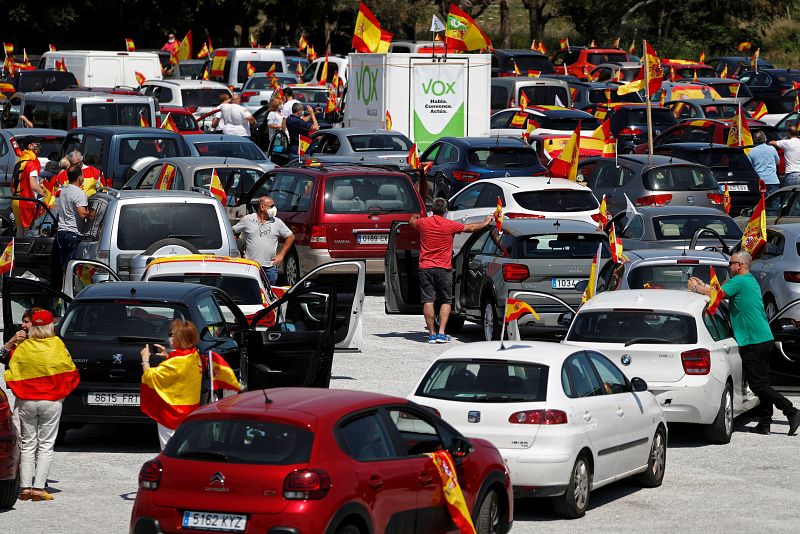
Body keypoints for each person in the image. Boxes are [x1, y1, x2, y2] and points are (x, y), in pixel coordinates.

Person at [689, 251, 800, 436]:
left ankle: (791, 410)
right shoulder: (749, 280)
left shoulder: (739, 282)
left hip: (753, 340)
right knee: (763, 382)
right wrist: (705, 286)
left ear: (739, 265)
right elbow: (721, 289)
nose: (728, 266)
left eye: (731, 263)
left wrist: (696, 288)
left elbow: (718, 294)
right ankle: (765, 423)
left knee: (758, 385)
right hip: (763, 338)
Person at [4, 309, 80, 501]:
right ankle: (38, 489)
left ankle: (24, 488)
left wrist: (20, 391)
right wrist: (61, 393)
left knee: (28, 444)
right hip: (51, 401)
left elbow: (12, 371)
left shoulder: (23, 346)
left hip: (27, 400)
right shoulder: (57, 345)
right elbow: (71, 372)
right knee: (46, 445)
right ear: (50, 326)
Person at [409, 198, 492, 343]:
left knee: (428, 300)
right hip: (444, 268)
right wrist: (485, 222)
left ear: (432, 209)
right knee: (446, 301)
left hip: (426, 267)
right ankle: (441, 333)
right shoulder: (450, 225)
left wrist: (416, 215)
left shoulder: (423, 223)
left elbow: (411, 222)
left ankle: (431, 334)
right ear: (445, 211)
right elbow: (471, 228)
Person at [139, 319, 203, 449]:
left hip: (171, 413)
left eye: (172, 335)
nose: (170, 338)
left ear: (180, 339)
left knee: (169, 450)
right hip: (190, 410)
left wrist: (145, 359)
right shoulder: (194, 355)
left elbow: (150, 376)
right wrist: (168, 356)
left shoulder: (175, 363)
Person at [232, 196, 294, 285]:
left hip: (269, 268)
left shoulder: (277, 222)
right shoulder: (248, 219)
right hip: (251, 266)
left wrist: (281, 254)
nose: (274, 208)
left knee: (269, 294)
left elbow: (290, 236)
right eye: (271, 206)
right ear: (262, 207)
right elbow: (232, 230)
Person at [54, 165, 90, 273]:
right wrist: (92, 213)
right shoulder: (78, 192)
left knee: (62, 268)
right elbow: (83, 214)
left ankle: (62, 288)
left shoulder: (64, 190)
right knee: (72, 268)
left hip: (61, 233)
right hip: (73, 234)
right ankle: (70, 289)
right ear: (80, 177)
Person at [11, 138, 46, 237]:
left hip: (16, 200)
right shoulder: (31, 164)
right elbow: (33, 185)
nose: (38, 147)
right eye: (36, 144)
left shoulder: (19, 162)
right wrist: (44, 192)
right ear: (30, 146)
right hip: (26, 202)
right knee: (28, 234)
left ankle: (17, 251)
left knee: (19, 232)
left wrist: (39, 185)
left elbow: (17, 183)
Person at [748, 130, 781, 211]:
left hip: (760, 181)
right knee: (774, 203)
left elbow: (750, 167)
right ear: (765, 139)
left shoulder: (751, 152)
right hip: (772, 180)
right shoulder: (772, 149)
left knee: (762, 203)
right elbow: (778, 162)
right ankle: (773, 220)